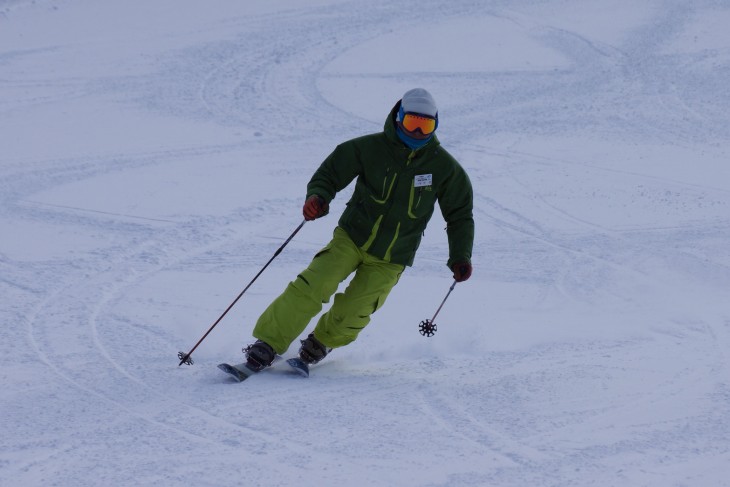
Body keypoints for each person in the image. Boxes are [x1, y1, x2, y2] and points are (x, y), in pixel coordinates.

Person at [243, 88, 474, 371]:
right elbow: (329, 174)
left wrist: (460, 256)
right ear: (398, 117)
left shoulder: (444, 168)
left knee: (357, 308)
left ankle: (321, 341)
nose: (416, 132)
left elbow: (460, 215)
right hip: (351, 238)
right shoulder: (368, 149)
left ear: (435, 125)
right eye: (412, 121)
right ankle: (268, 343)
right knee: (314, 284)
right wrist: (318, 198)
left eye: (425, 125)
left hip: (392, 257)